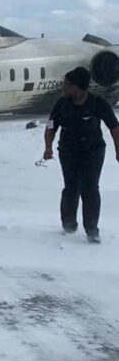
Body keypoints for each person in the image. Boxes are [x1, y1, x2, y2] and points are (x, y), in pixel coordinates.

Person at [43, 67, 119, 243]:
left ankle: (92, 229)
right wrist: (48, 147)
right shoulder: (62, 104)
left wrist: (118, 150)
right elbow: (50, 127)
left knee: (90, 188)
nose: (64, 87)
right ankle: (68, 224)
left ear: (79, 87)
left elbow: (114, 127)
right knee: (70, 188)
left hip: (93, 152)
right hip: (68, 152)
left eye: (67, 84)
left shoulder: (97, 103)